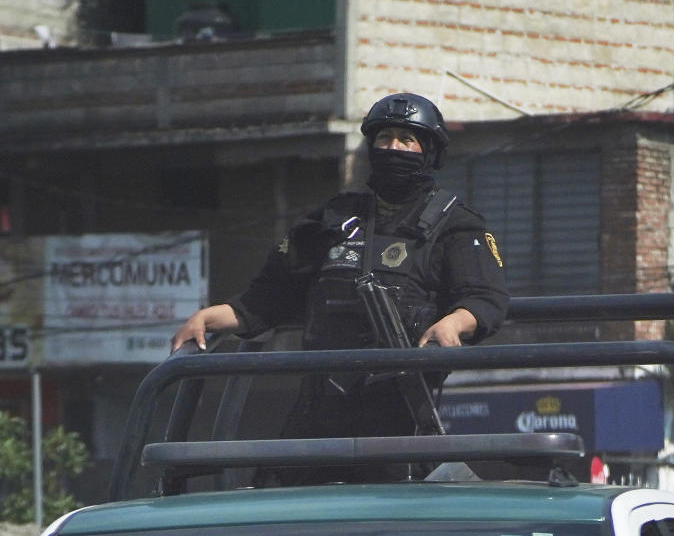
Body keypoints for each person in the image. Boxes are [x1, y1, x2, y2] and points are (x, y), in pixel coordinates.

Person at [171, 92, 509, 483]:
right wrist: (210, 317)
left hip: (399, 412)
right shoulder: (333, 219)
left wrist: (454, 323)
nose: (393, 148)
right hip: (318, 406)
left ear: (429, 152)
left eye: (406, 139)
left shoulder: (456, 225)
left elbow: (486, 297)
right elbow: (267, 298)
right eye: (384, 138)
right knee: (276, 506)